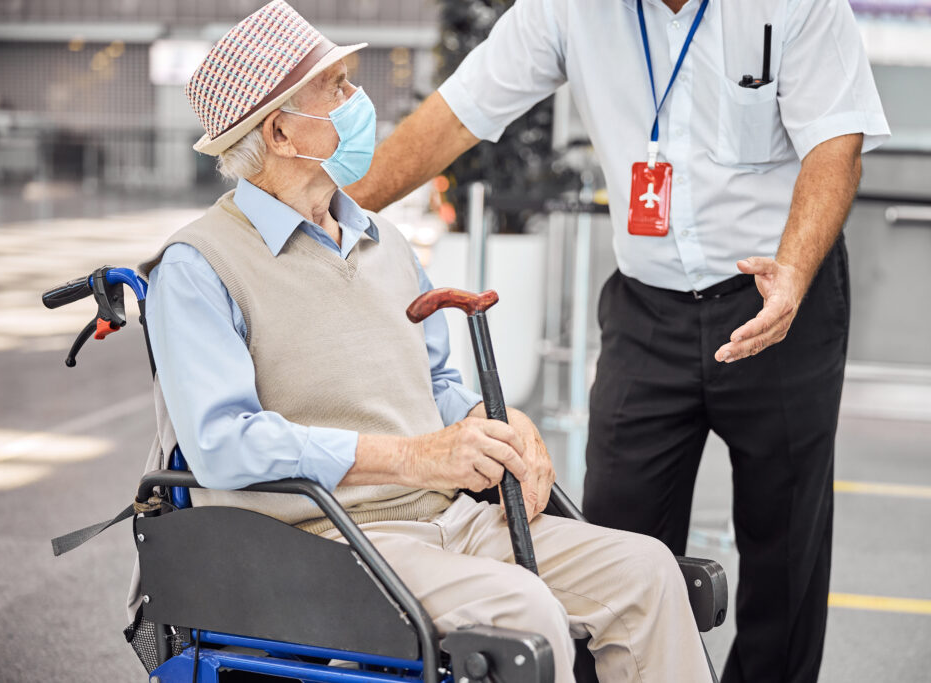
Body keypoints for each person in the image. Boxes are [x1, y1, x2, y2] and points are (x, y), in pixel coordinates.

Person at [137, 2, 712, 681]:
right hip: (324, 542)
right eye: (338, 86)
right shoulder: (199, 265)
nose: (360, 100)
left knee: (648, 571)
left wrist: (494, 426)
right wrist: (411, 459)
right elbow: (222, 442)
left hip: (449, 520)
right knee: (523, 614)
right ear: (282, 130)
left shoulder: (386, 242)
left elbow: (436, 383)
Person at [346, 1, 890, 680]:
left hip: (776, 295)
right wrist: (323, 210)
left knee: (784, 553)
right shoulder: (570, 8)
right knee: (614, 534)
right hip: (646, 307)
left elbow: (835, 143)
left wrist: (795, 269)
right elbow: (457, 114)